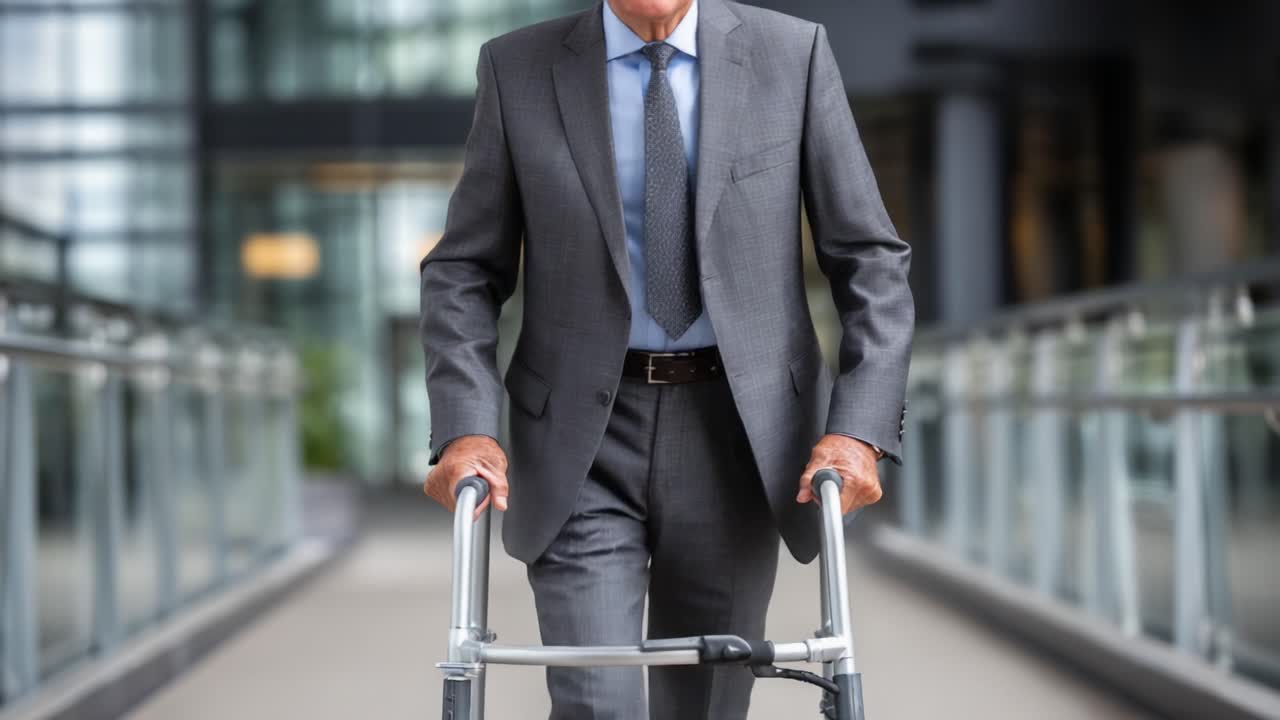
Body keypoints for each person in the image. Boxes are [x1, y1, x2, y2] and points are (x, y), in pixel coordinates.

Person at [419, 0, 913, 716]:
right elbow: (462, 270)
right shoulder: (517, 67)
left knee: (707, 703)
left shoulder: (792, 54)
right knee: (598, 700)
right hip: (580, 440)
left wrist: (858, 430)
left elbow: (870, 259)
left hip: (739, 436)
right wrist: (466, 428)